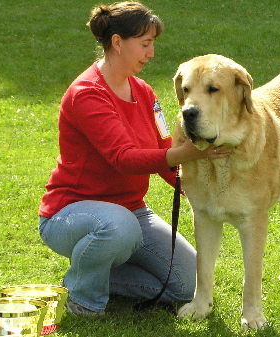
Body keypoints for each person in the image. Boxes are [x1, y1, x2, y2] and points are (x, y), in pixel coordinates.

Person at [38, 1, 230, 316]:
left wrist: (198, 190)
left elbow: (165, 149)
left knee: (185, 284)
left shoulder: (145, 92)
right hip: (69, 213)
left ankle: (97, 273)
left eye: (152, 43)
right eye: (145, 44)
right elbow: (123, 159)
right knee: (119, 227)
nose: (151, 53)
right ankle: (84, 299)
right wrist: (189, 152)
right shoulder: (87, 94)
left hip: (132, 212)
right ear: (117, 42)